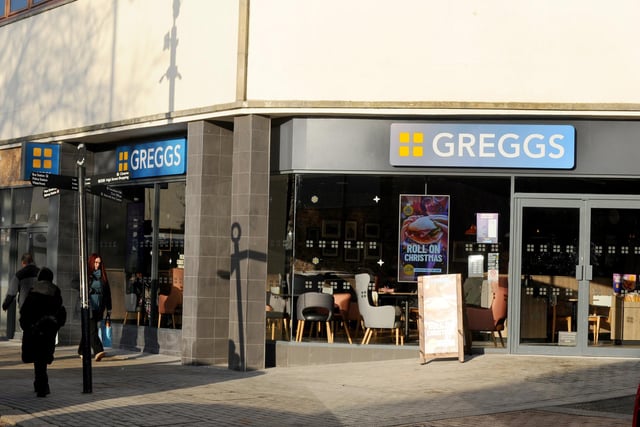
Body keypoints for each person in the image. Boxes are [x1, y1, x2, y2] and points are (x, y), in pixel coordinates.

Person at [19, 267, 66, 397]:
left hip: (35, 329)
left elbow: (25, 312)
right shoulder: (55, 291)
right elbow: (60, 311)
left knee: (38, 359)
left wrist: (27, 326)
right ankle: (41, 384)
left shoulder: (33, 291)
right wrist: (56, 325)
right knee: (42, 359)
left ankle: (41, 385)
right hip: (48, 330)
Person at [78, 253, 112, 361]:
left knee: (89, 330)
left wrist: (109, 308)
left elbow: (107, 293)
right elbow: (74, 282)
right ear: (92, 262)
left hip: (99, 307)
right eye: (96, 262)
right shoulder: (86, 274)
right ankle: (98, 350)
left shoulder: (103, 276)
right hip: (88, 307)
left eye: (99, 263)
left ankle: (81, 350)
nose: (97, 265)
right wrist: (86, 289)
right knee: (92, 330)